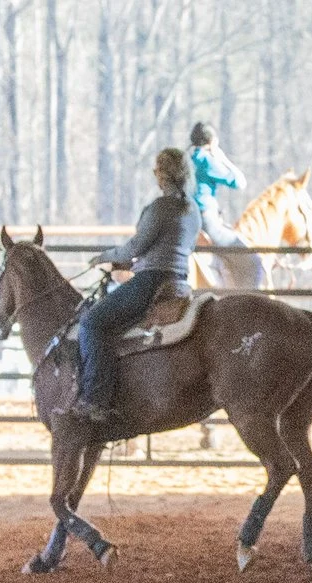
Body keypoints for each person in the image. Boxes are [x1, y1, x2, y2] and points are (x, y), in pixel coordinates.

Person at [73, 147, 199, 427]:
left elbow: (136, 247)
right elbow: (178, 248)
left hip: (151, 281)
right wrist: (131, 266)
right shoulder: (192, 210)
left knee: (92, 324)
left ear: (163, 175)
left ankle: (96, 399)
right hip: (177, 280)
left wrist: (104, 257)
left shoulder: (159, 208)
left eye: (157, 170)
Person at [187, 122, 265, 289]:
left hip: (186, 217)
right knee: (253, 261)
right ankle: (248, 299)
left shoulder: (186, 159)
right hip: (206, 219)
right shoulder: (207, 161)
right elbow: (240, 182)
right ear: (212, 142)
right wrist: (221, 157)